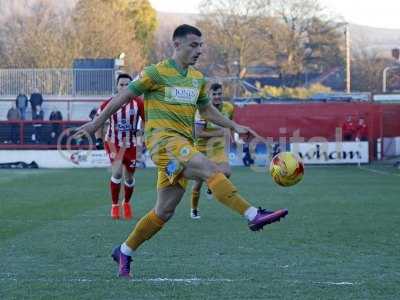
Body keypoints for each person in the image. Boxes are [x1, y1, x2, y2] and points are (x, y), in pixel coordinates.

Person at [75, 24, 288, 278]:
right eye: (193, 45)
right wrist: (98, 122)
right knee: (211, 169)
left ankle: (124, 250)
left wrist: (233, 125)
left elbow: (207, 110)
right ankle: (253, 214)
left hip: (183, 147)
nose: (199, 50)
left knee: (163, 212)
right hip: (163, 142)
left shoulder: (198, 79)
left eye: (201, 46)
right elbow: (124, 97)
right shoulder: (156, 73)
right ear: (177, 45)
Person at [94, 73, 144, 220]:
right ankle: (114, 205)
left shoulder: (138, 103)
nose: (124, 87)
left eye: (127, 84)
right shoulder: (108, 103)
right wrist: (98, 139)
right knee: (117, 173)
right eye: (121, 84)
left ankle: (126, 203)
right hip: (113, 143)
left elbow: (147, 121)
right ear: (116, 86)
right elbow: (98, 121)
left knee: (129, 178)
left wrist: (142, 132)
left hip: (131, 145)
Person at [190, 82, 234, 219]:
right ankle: (194, 209)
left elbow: (229, 124)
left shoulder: (229, 107)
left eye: (219, 94)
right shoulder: (201, 111)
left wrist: (229, 134)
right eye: (214, 94)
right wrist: (219, 133)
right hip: (201, 148)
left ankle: (211, 186)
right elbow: (198, 133)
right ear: (208, 95)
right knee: (197, 183)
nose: (217, 96)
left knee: (226, 172)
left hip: (217, 148)